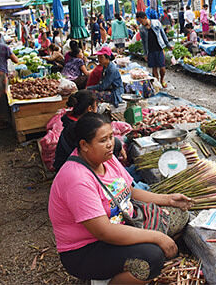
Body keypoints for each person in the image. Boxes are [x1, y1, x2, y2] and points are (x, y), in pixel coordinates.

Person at [48, 113, 191, 284]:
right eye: (103, 140)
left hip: (124, 222)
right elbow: (104, 231)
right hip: (88, 248)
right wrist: (157, 237)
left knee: (180, 214)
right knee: (151, 259)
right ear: (84, 145)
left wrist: (168, 199)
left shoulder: (106, 159)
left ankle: (122, 268)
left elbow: (129, 191)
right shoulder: (76, 179)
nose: (110, 144)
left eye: (111, 137)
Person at [52, 90, 99, 172]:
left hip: (61, 165)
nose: (97, 109)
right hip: (68, 171)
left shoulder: (70, 120)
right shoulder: (80, 128)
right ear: (90, 109)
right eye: (96, 106)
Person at [136, 11, 171, 88]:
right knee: (154, 68)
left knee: (162, 67)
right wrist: (145, 54)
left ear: (145, 18)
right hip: (150, 50)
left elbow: (163, 34)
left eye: (141, 21)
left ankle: (162, 79)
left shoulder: (156, 23)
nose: (140, 23)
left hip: (159, 48)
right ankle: (157, 82)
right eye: (139, 21)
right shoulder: (141, 29)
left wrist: (168, 45)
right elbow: (144, 42)